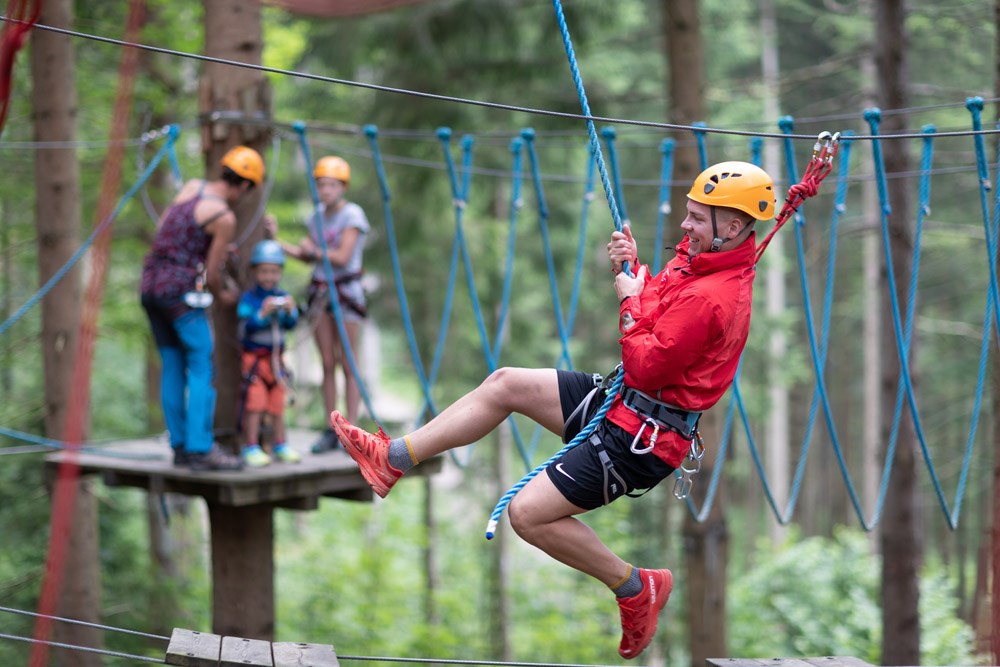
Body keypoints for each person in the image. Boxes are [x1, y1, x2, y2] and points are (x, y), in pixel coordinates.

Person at [329, 161, 775, 659]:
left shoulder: (716, 296)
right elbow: (661, 313)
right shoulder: (700, 262)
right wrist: (631, 274)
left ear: (732, 227)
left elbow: (648, 362)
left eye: (696, 218)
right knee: (506, 384)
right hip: (626, 406)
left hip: (638, 439)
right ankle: (394, 458)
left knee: (528, 515)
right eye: (688, 216)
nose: (685, 227)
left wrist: (627, 302)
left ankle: (634, 587)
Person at [141, 145, 265, 471]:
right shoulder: (223, 217)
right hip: (180, 294)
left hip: (151, 286)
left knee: (172, 363)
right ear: (245, 185)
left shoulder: (190, 188)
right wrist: (224, 293)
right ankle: (200, 448)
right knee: (201, 365)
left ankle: (180, 446)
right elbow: (212, 274)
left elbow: (163, 233)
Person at [280, 156, 370, 454]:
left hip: (345, 293)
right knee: (327, 364)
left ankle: (352, 428)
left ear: (342, 187)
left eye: (332, 185)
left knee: (348, 363)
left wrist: (313, 250)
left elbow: (342, 257)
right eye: (321, 185)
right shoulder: (315, 216)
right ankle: (332, 427)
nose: (326, 190)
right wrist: (279, 243)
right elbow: (308, 255)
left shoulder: (352, 215)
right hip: (321, 293)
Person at [237, 239, 301, 467]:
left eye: (273, 272)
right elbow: (244, 329)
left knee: (277, 404)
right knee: (254, 404)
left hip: (277, 363)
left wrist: (291, 312)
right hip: (255, 362)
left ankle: (280, 444)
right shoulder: (249, 299)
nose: (268, 277)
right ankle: (251, 446)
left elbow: (291, 325)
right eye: (264, 271)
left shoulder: (282, 296)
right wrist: (261, 314)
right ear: (255, 271)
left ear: (280, 272)